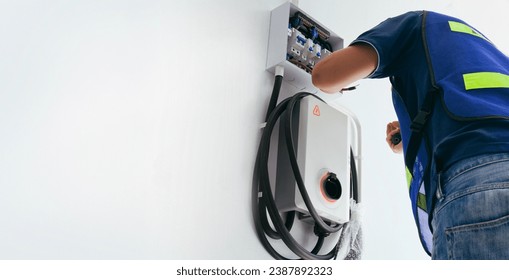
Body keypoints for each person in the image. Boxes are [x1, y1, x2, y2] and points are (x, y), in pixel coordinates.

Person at [312, 10, 509, 259]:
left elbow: (324, 76)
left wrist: (338, 81)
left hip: (480, 184)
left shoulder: (417, 24)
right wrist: (413, 137)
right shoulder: (493, 56)